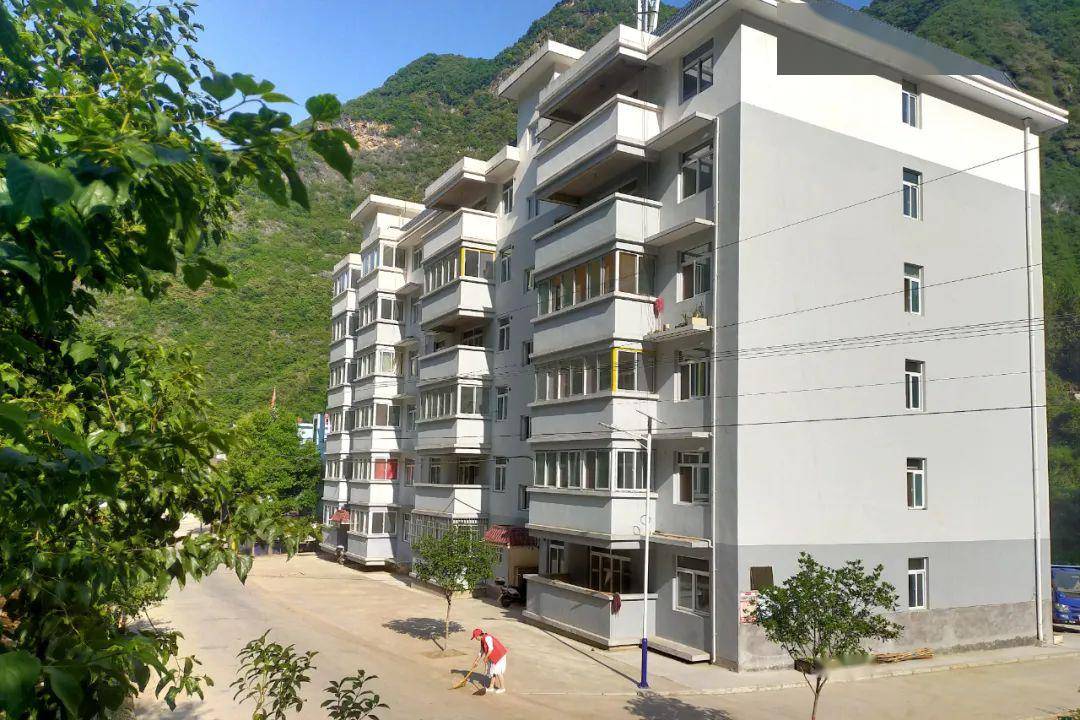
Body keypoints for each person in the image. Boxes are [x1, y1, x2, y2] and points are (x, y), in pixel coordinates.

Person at [471, 628, 508, 694]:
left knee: (498, 671)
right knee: (493, 671)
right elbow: (481, 651)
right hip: (494, 655)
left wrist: (486, 657)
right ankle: (491, 687)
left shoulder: (487, 638)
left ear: (478, 635)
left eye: (475, 637)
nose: (475, 639)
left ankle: (502, 688)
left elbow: (491, 649)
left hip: (499, 655)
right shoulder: (482, 640)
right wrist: (476, 661)